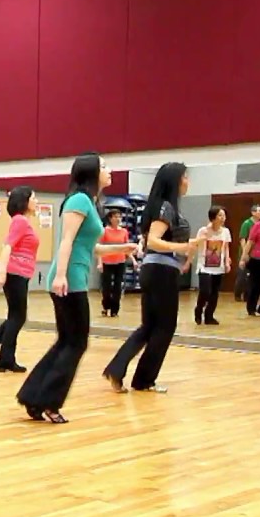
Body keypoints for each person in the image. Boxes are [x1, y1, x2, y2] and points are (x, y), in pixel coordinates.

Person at [17, 153, 136, 424]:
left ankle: (33, 396)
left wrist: (122, 248)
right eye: (104, 166)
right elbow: (67, 240)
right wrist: (60, 276)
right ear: (91, 172)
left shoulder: (90, 203)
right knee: (76, 343)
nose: (109, 170)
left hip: (74, 276)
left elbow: (90, 247)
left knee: (67, 342)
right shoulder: (79, 200)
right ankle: (48, 401)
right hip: (69, 278)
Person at [102, 163, 200, 394]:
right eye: (185, 177)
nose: (188, 181)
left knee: (149, 327)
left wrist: (187, 248)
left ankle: (118, 369)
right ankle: (144, 379)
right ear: (175, 180)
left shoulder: (160, 206)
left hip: (156, 270)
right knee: (165, 327)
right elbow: (154, 241)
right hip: (161, 271)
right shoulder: (165, 207)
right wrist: (184, 247)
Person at [0, 186, 39, 372]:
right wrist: (1, 272)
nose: (36, 201)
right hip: (15, 273)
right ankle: (3, 356)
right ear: (24, 201)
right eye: (33, 198)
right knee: (18, 317)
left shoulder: (24, 222)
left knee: (15, 316)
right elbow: (7, 246)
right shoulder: (20, 221)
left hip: (21, 274)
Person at [193, 206, 231, 325]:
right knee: (205, 291)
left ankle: (209, 316)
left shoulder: (225, 231)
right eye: (220, 215)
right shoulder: (203, 230)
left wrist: (227, 262)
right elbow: (196, 244)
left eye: (224, 215)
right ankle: (198, 310)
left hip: (218, 266)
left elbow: (226, 247)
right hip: (204, 266)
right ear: (213, 217)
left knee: (215, 292)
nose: (223, 218)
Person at [97, 209, 133, 317]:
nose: (118, 219)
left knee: (117, 287)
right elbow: (99, 248)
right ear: (110, 218)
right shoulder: (105, 231)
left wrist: (133, 260)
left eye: (119, 217)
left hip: (120, 262)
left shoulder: (124, 232)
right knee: (106, 287)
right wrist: (99, 262)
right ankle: (106, 306)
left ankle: (115, 310)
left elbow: (126, 247)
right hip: (107, 262)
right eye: (115, 217)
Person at [233, 204, 260, 301]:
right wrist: (245, 253)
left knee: (252, 276)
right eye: (259, 211)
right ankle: (237, 294)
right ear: (253, 212)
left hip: (256, 253)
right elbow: (243, 239)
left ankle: (247, 295)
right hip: (246, 252)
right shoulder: (247, 223)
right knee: (242, 275)